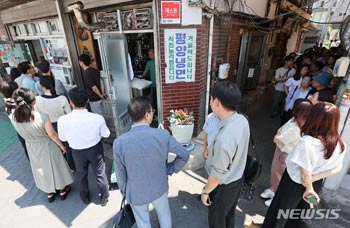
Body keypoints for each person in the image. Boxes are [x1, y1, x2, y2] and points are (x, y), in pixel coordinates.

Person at [262, 102, 346, 228]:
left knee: (278, 215)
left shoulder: (307, 143)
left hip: (294, 183)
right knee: (298, 217)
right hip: (315, 184)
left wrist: (308, 186)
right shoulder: (340, 144)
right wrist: (313, 182)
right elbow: (337, 168)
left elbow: (304, 172)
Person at [113, 96, 189, 228]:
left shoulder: (119, 142)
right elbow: (184, 154)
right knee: (165, 217)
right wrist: (170, 169)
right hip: (159, 186)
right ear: (147, 115)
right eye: (152, 111)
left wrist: (125, 191)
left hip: (135, 191)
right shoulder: (162, 135)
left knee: (143, 223)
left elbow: (120, 174)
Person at [9, 88, 73, 202]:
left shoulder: (13, 118)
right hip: (46, 144)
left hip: (31, 146)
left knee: (41, 169)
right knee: (55, 166)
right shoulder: (42, 116)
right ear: (33, 101)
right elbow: (52, 134)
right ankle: (62, 189)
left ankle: (50, 192)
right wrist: (62, 146)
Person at [201, 82, 250, 228]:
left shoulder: (224, 139)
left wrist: (205, 191)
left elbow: (217, 175)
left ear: (216, 102)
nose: (210, 102)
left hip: (223, 186)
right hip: (237, 178)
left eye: (211, 99)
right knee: (228, 215)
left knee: (217, 220)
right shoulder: (241, 119)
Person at [58, 88, 110, 206]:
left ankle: (85, 197)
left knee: (81, 174)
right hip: (95, 149)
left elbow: (63, 138)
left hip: (77, 151)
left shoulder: (63, 120)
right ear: (87, 100)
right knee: (100, 173)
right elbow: (106, 134)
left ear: (70, 102)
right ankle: (104, 196)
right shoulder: (97, 118)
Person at [261, 99, 313, 207]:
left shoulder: (296, 129)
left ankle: (276, 197)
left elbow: (276, 138)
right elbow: (280, 130)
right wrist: (279, 134)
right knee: (274, 173)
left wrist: (278, 134)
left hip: (284, 154)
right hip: (280, 150)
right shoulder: (295, 120)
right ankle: (272, 189)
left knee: (278, 176)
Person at [35, 76, 75, 170]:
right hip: (62, 125)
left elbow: (37, 116)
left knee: (55, 148)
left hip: (47, 126)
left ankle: (61, 169)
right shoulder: (62, 99)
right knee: (67, 148)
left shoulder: (37, 100)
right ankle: (71, 167)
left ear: (41, 86)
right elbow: (69, 114)